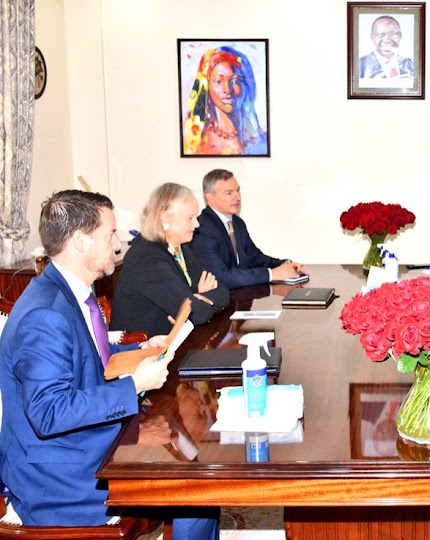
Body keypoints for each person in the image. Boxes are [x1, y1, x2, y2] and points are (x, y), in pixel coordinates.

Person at [0, 190, 218, 537]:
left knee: (197, 464)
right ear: (81, 242)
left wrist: (142, 351)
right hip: (59, 479)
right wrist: (134, 385)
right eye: (109, 235)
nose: (117, 246)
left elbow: (89, 359)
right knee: (194, 483)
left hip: (85, 443)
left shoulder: (73, 292)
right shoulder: (44, 315)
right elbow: (49, 413)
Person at [111, 183, 230, 336]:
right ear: (164, 218)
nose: (197, 224)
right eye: (190, 218)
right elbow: (196, 313)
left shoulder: (179, 248)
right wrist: (196, 300)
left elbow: (222, 291)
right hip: (138, 351)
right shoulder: (147, 258)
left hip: (170, 344)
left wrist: (199, 298)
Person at [189, 169, 305, 289]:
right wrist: (272, 274)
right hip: (220, 303)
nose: (237, 197)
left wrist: (285, 264)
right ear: (210, 197)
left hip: (243, 298)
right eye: (229, 193)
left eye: (238, 191)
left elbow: (255, 258)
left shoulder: (237, 223)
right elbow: (221, 277)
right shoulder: (202, 229)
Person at [183, 46, 267, 156]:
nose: (227, 89)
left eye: (235, 81)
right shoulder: (195, 139)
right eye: (218, 81)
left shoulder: (258, 140)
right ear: (206, 86)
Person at [358, 15, 414, 80]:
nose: (387, 40)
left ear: (400, 36)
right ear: (372, 37)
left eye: (393, 34)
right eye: (381, 35)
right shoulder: (359, 66)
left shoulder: (409, 64)